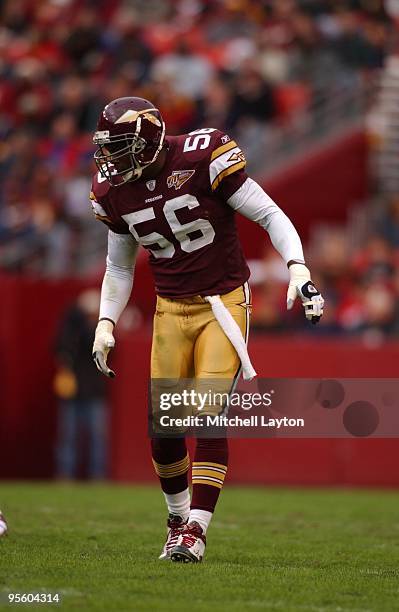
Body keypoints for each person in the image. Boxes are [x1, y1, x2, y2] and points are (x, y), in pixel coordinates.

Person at [90, 97, 324, 563]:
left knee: (208, 413)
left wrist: (298, 268)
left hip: (222, 304)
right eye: (108, 149)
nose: (112, 160)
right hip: (169, 310)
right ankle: (177, 520)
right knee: (165, 431)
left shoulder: (204, 154)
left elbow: (270, 213)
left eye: (121, 147)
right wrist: (105, 321)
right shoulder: (112, 191)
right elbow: (119, 269)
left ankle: (196, 529)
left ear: (150, 139)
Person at [55, 289, 108, 480]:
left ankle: (97, 475)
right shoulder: (71, 328)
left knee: (96, 438)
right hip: (74, 391)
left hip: (93, 392)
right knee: (68, 437)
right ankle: (65, 475)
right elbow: (61, 347)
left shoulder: (100, 333)